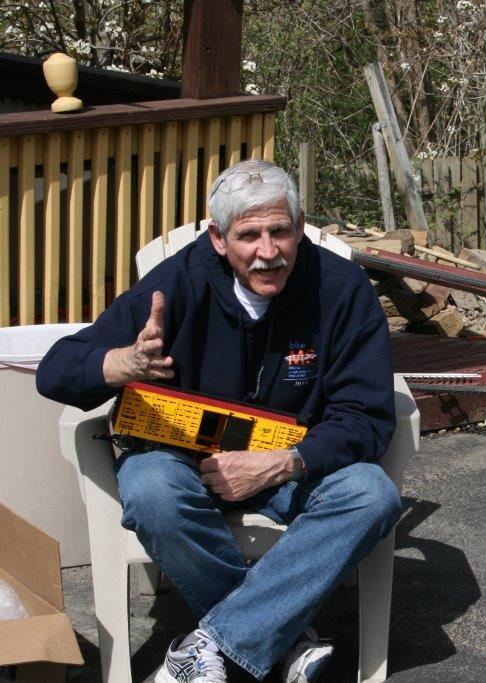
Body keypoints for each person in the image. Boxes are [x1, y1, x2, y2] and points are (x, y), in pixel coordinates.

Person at [37, 159, 402, 683]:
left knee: (371, 494)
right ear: (218, 239)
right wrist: (123, 363)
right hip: (185, 462)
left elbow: (367, 416)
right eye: (249, 236)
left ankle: (212, 645)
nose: (268, 252)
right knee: (151, 488)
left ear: (300, 227)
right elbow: (56, 370)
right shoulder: (177, 283)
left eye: (280, 231)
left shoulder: (343, 289)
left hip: (294, 461)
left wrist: (282, 464)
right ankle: (281, 638)